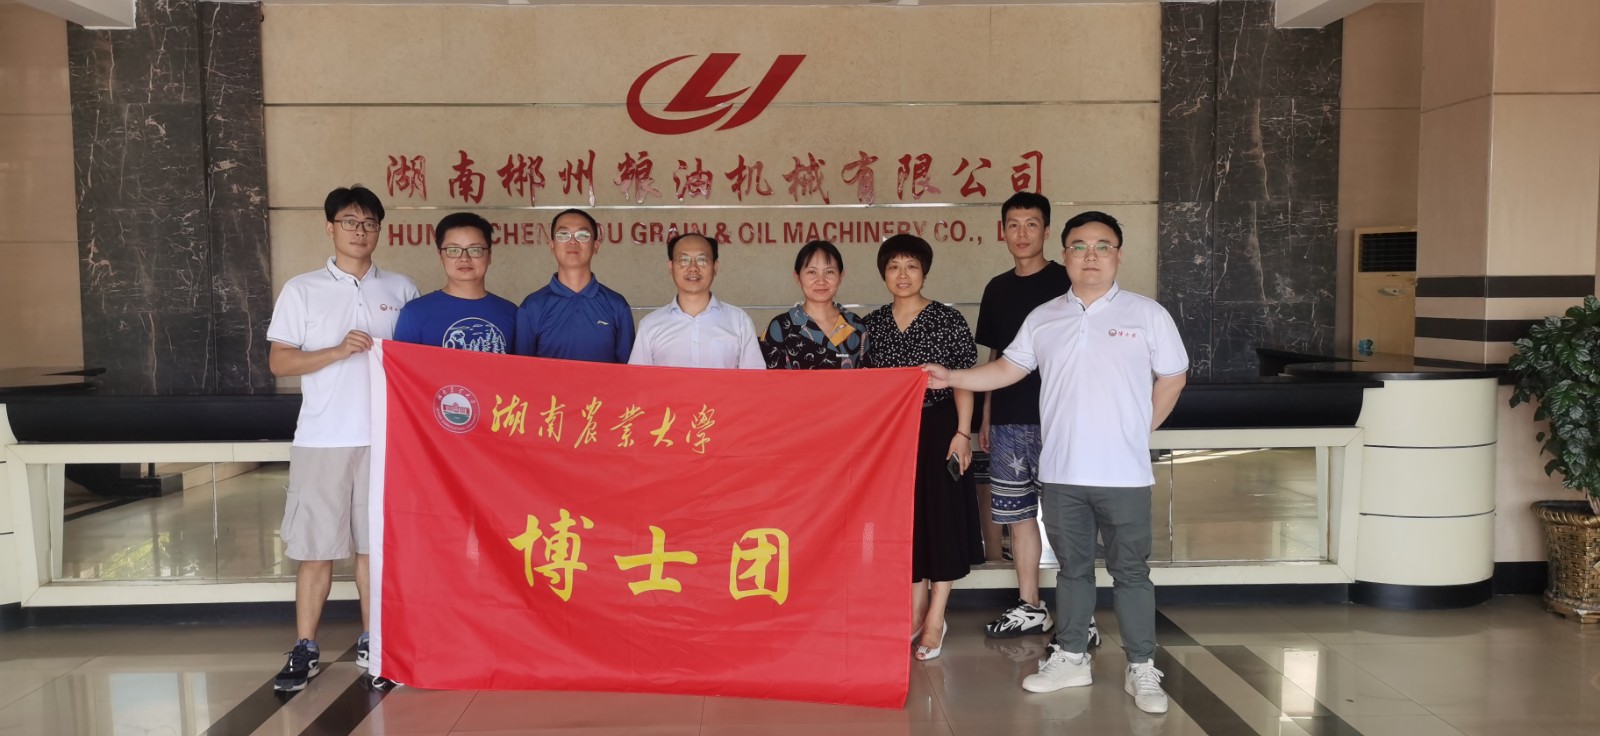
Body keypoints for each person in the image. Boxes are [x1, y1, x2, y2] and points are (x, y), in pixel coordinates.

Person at [924, 211, 1187, 715]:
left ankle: (1141, 666)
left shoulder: (1146, 314)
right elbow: (1007, 368)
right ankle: (1070, 657)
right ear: (1064, 254)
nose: (1091, 256)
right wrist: (952, 376)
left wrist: (1138, 430)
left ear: (1118, 255)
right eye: (1080, 246)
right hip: (1062, 472)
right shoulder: (1045, 317)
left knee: (1131, 572)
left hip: (1124, 474)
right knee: (1072, 570)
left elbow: (1173, 376)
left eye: (1103, 246)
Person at [266, 185, 419, 691]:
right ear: (330, 227)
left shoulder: (401, 289)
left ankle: (375, 641)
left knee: (374, 549)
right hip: (323, 438)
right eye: (350, 222)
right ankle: (305, 647)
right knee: (316, 550)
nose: (360, 231)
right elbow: (279, 361)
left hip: (386, 441)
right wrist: (335, 351)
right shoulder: (302, 289)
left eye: (370, 223)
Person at [974, 193, 1098, 647]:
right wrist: (987, 414)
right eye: (1013, 224)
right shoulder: (997, 288)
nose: (1022, 233)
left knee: (1066, 518)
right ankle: (1030, 606)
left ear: (1047, 231)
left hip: (1060, 419)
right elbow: (997, 355)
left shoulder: (1068, 282)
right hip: (1009, 419)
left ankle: (1080, 615)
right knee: (1019, 515)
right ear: (1002, 231)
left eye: (1031, 224)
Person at [861, 234, 977, 662]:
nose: (903, 274)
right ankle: (914, 609)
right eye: (894, 267)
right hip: (893, 434)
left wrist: (962, 433)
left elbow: (964, 380)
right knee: (905, 518)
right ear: (883, 274)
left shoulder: (947, 319)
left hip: (941, 426)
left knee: (941, 517)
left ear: (924, 272)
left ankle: (936, 616)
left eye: (911, 266)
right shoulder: (871, 325)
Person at [515, 208, 634, 362]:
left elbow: (628, 371)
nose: (572, 241)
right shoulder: (531, 307)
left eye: (582, 235)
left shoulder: (617, 306)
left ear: (596, 246)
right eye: (563, 235)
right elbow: (522, 371)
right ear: (552, 245)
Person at [629, 232, 764, 369]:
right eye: (684, 260)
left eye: (702, 260)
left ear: (715, 267)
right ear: (671, 267)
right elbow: (637, 380)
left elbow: (755, 379)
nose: (693, 268)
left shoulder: (739, 322)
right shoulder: (650, 325)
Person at [394, 212, 517, 353]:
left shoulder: (511, 312)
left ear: (489, 255)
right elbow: (400, 365)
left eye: (475, 250)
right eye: (453, 250)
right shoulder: (415, 313)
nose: (464, 258)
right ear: (441, 256)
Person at [760, 239, 869, 370]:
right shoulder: (780, 327)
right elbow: (770, 380)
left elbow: (868, 379)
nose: (821, 281)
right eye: (812, 272)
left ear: (841, 276)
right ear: (798, 277)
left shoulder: (855, 325)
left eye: (829, 272)